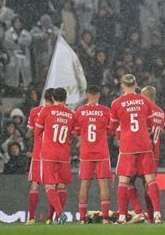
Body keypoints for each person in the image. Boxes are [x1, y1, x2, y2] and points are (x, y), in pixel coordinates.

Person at [109, 74, 162, 224]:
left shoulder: (117, 103)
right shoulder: (145, 100)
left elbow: (112, 128)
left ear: (122, 86)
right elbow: (151, 124)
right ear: (136, 84)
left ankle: (122, 216)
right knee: (151, 180)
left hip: (128, 147)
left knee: (123, 181)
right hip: (145, 146)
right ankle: (157, 214)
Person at [126, 86, 165, 223]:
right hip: (155, 154)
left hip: (141, 152)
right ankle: (152, 216)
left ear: (145, 96)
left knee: (128, 181)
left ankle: (139, 212)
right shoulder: (161, 112)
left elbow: (144, 130)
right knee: (148, 185)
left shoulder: (143, 110)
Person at [35, 88, 75, 225]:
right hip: (63, 153)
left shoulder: (46, 111)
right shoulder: (71, 114)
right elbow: (71, 134)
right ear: (66, 98)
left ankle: (60, 213)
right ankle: (55, 219)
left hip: (49, 153)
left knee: (49, 185)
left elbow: (38, 131)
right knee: (62, 185)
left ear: (53, 98)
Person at [74, 85, 112, 224]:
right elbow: (111, 131)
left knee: (84, 184)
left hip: (86, 153)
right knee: (103, 184)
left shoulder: (80, 111)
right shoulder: (105, 111)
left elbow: (77, 132)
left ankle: (82, 219)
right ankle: (106, 218)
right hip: (102, 152)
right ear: (99, 95)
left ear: (87, 94)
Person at [25, 88, 54, 225]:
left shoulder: (35, 112)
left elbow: (30, 132)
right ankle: (50, 218)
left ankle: (31, 218)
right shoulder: (58, 113)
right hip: (52, 155)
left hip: (38, 153)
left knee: (35, 185)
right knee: (52, 185)